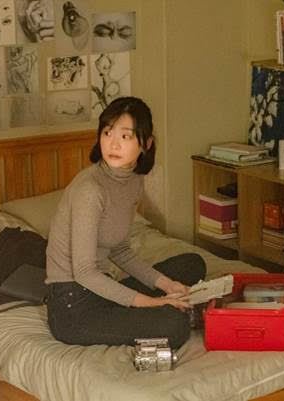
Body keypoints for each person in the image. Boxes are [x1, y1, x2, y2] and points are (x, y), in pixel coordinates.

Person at [45, 97, 206, 348]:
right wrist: (151, 302)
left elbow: (119, 250)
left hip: (105, 288)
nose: (113, 144)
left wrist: (167, 285)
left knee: (192, 264)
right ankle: (166, 313)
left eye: (125, 136)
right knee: (174, 327)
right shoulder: (90, 190)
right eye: (107, 133)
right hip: (74, 306)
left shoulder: (133, 181)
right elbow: (84, 273)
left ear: (146, 144)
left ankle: (161, 307)